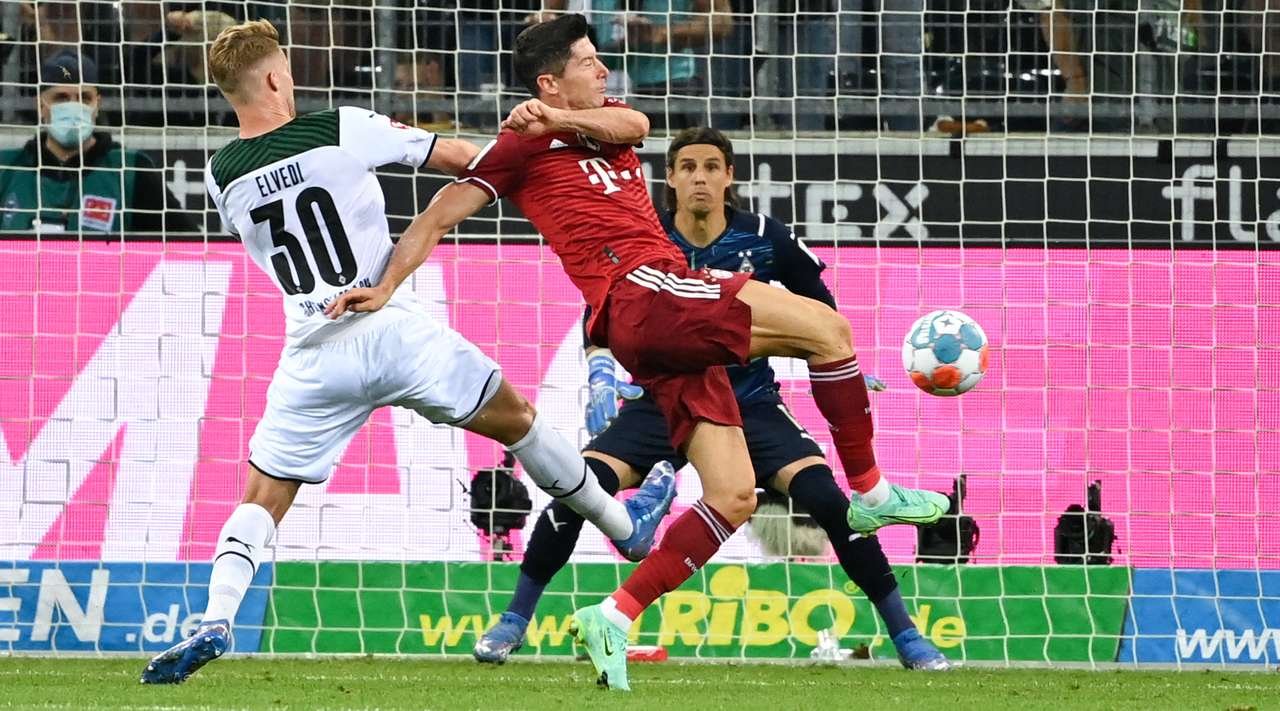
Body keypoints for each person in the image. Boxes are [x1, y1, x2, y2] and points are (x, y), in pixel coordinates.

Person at [325, 14, 949, 691]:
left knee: (733, 496)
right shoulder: (517, 148)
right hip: (643, 290)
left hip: (659, 319)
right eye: (587, 62)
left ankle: (614, 614)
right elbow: (437, 215)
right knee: (830, 332)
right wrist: (385, 285)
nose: (603, 70)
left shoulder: (596, 120)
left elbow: (637, 125)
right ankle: (871, 491)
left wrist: (557, 119)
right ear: (549, 81)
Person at [138, 18, 675, 685]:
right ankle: (623, 526)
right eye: (289, 70)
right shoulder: (340, 126)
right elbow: (461, 159)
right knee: (519, 422)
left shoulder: (221, 175)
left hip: (312, 351)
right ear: (275, 78)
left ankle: (217, 618)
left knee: (262, 497)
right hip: (388, 324)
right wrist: (534, 143)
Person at [471, 126, 951, 671]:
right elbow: (604, 310)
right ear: (670, 179)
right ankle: (513, 620)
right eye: (688, 168)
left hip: (750, 402)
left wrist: (841, 366)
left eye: (711, 167)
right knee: (580, 489)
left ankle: (906, 634)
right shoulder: (644, 236)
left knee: (829, 502)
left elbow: (820, 310)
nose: (700, 178)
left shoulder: (766, 238)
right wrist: (601, 369)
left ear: (729, 177)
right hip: (661, 400)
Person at [0, 51, 197, 233]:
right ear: (40, 105)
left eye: (84, 98)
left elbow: (188, 245)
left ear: (97, 105)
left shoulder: (132, 171)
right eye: (61, 98)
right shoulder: (6, 169)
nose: (74, 106)